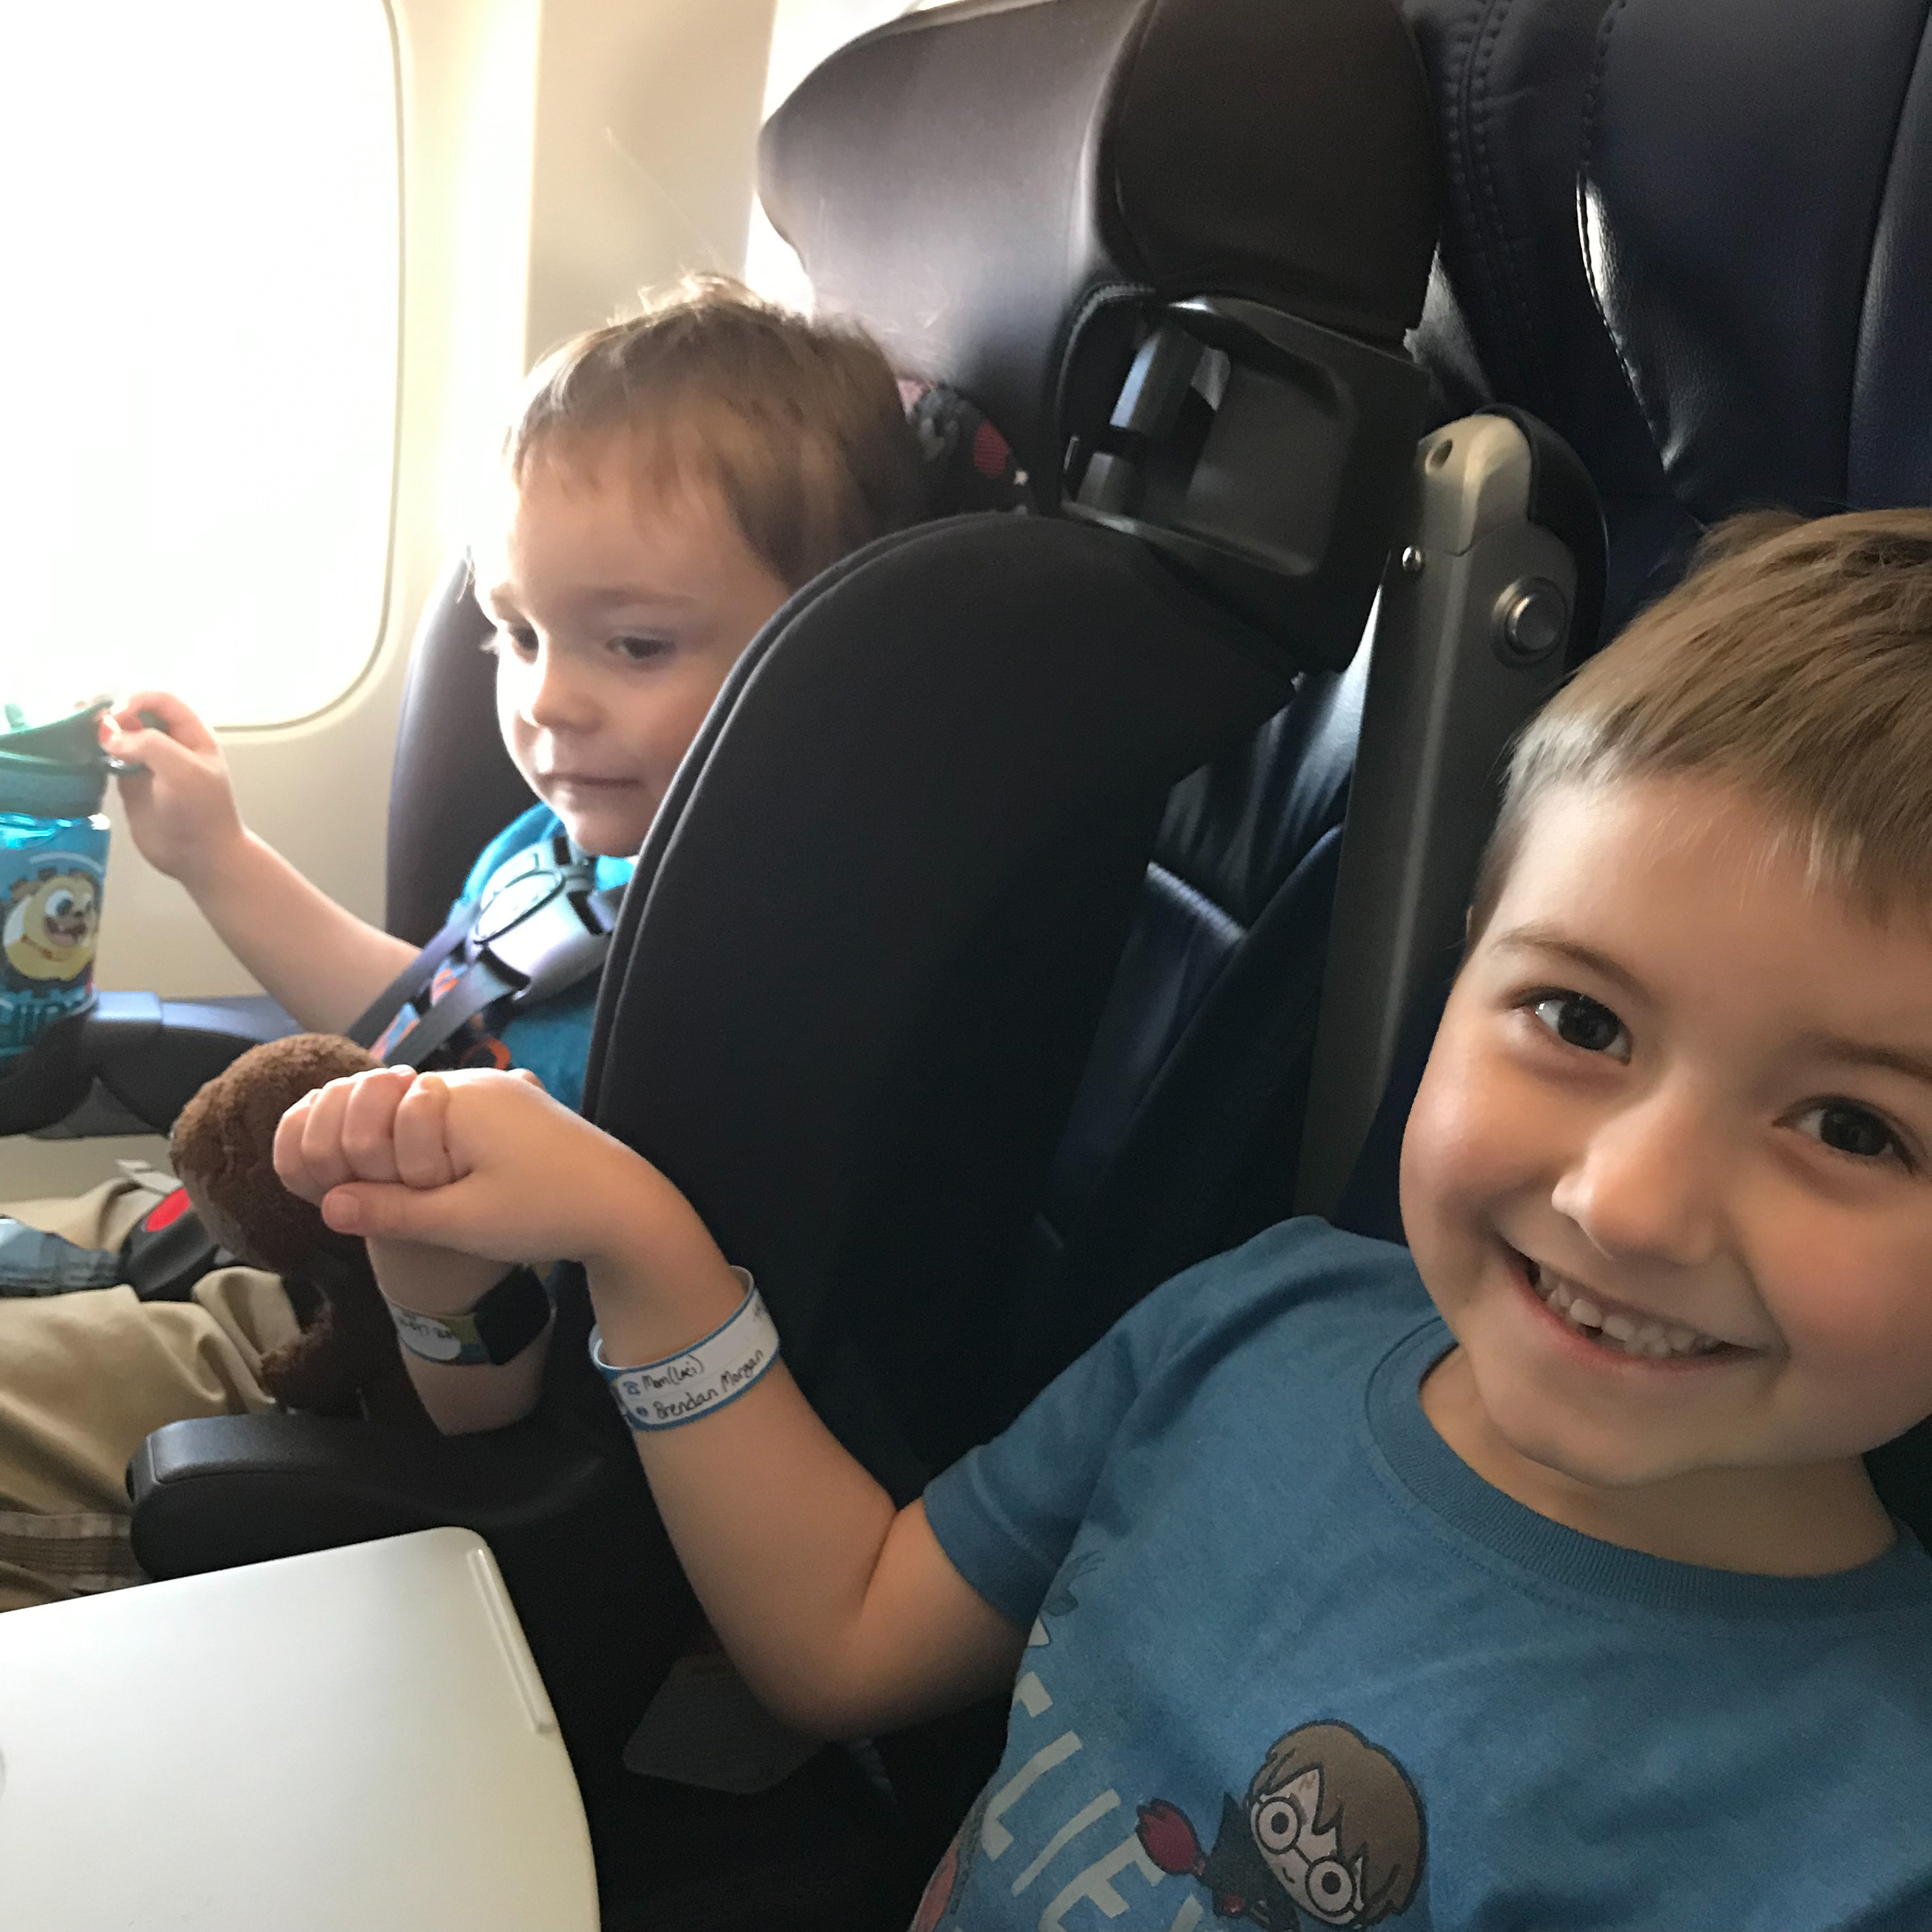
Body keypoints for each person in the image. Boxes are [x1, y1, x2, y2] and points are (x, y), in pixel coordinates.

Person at [280, 508, 1932, 1928]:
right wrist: (638, 1243)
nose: (1625, 1204)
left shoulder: (1869, 1828)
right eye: (1579, 1020)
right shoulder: (1270, 1325)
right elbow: (844, 1637)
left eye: (1854, 1126)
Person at [0, 278, 924, 1611]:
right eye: (518, 632)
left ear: (823, 657)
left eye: (635, 642)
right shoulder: (573, 857)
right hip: (269, 1247)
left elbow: (485, 1409)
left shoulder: (754, 977)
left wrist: (418, 1241)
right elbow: (424, 1011)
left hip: (351, 1374)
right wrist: (216, 856)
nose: (546, 695)